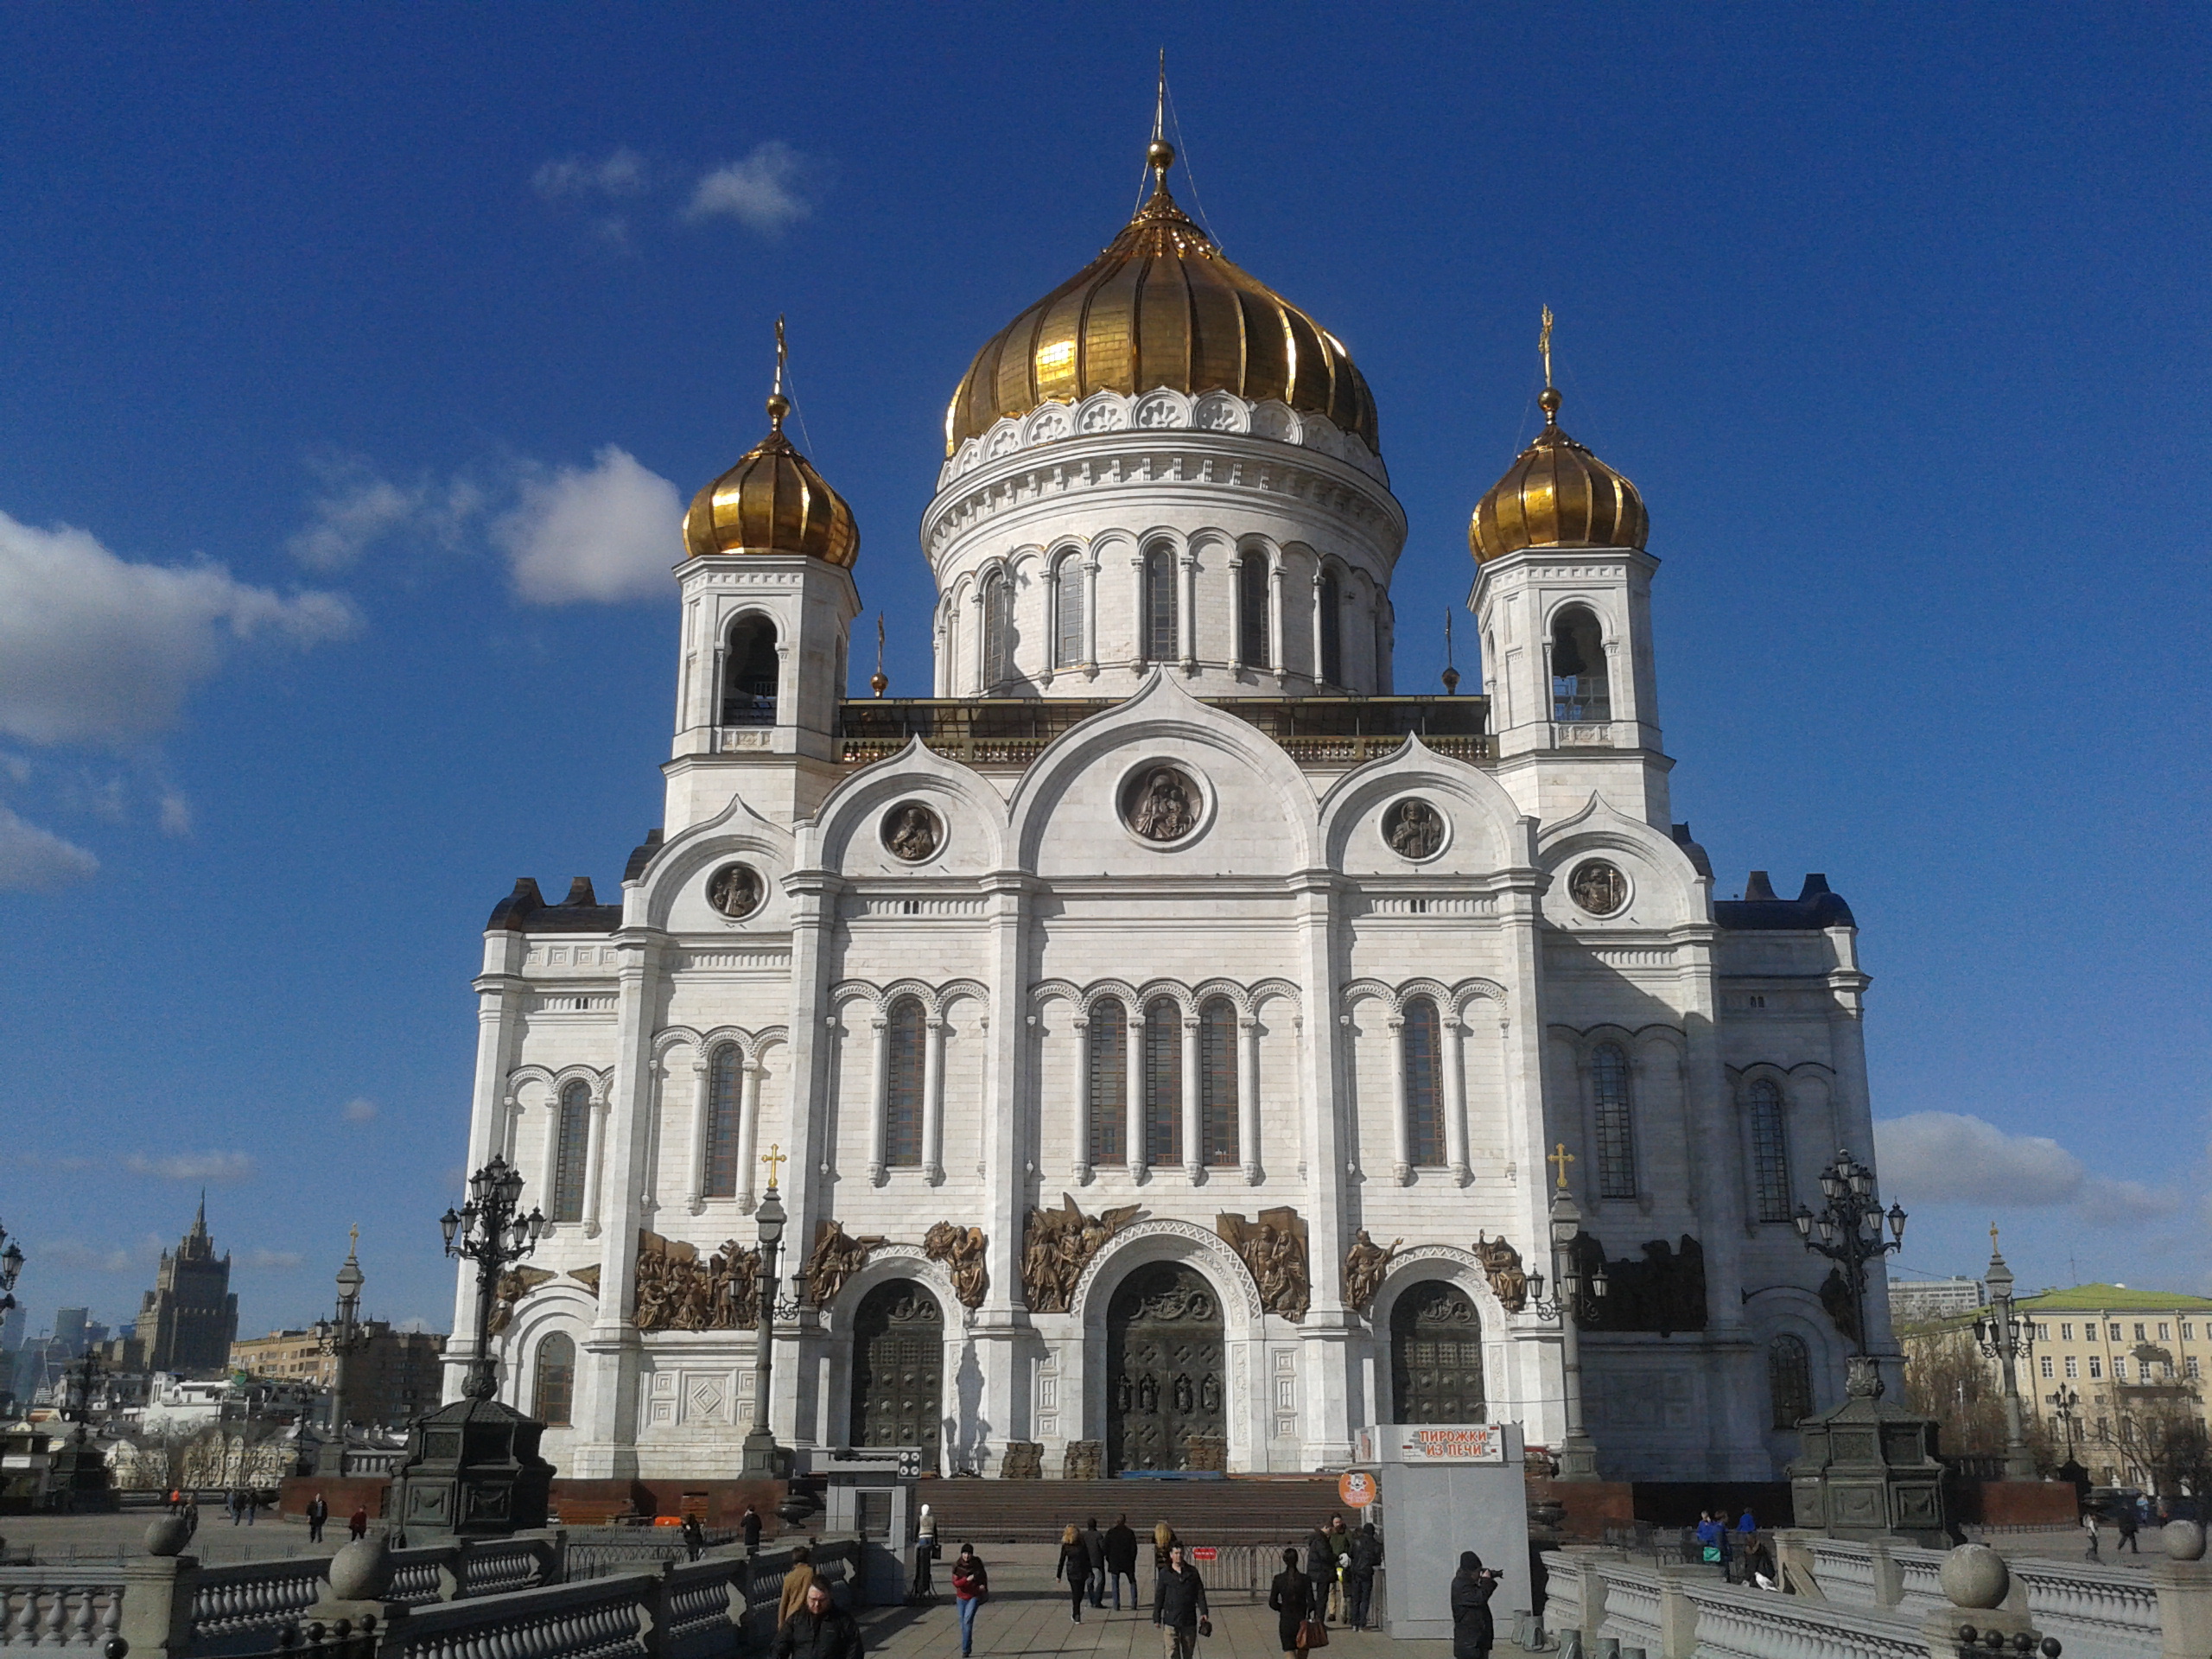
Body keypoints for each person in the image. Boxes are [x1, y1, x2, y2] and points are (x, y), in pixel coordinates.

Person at [772, 1577, 862, 1659]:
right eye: (813, 1599)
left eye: (822, 1600)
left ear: (830, 1597)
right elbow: (779, 1648)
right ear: (807, 1597)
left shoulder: (843, 1620)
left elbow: (855, 1649)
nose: (817, 1605)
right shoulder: (796, 1620)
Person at [1154, 1541, 1211, 1659]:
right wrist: (1157, 1616)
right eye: (1176, 1553)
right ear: (1171, 1555)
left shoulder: (1192, 1572)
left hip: (1188, 1619)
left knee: (1188, 1653)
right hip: (1171, 1619)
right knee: (1172, 1652)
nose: (1178, 1556)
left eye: (1180, 1553)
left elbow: (1199, 1593)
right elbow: (1160, 1595)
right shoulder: (1165, 1573)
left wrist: (1204, 1612)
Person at [1450, 1552, 1499, 1659]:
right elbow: (1479, 1598)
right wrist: (1486, 1580)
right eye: (1478, 1571)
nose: (1480, 1574)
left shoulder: (1469, 1584)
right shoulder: (1461, 1585)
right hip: (1469, 1644)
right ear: (1471, 1572)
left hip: (1478, 1641)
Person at [1269, 1546, 1315, 1659]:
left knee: (1289, 1650)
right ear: (1297, 1560)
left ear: (1284, 1561)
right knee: (1303, 1651)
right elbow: (1312, 1603)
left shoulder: (1278, 1579)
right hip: (1302, 1620)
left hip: (1286, 1620)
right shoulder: (1305, 1579)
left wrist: (1282, 1608)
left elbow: (1272, 1603)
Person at [950, 1544, 988, 1659]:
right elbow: (956, 1583)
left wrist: (983, 1586)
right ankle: (968, 1642)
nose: (967, 1556)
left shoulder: (977, 1565)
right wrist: (966, 1579)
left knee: (967, 1621)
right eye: (965, 1553)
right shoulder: (957, 1566)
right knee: (963, 1624)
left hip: (974, 1596)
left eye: (969, 1554)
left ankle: (965, 1650)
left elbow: (983, 1577)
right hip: (961, 1598)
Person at [1345, 1523, 1382, 1631]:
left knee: (1355, 1599)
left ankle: (1354, 1623)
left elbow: (1350, 1553)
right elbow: (1376, 1560)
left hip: (1355, 1573)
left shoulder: (1356, 1542)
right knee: (1365, 1599)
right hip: (1367, 1573)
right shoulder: (1375, 1544)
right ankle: (1362, 1624)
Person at [1058, 1523, 1093, 1622]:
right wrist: (1058, 1575)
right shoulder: (1066, 1546)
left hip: (1082, 1570)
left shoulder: (1081, 1543)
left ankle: (1075, 1610)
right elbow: (1062, 1560)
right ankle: (1076, 1614)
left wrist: (1089, 1570)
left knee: (1080, 1592)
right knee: (1075, 1592)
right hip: (1072, 1571)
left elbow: (1087, 1557)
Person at [1105, 1514, 1140, 1611]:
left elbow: (1105, 1548)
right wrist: (1132, 1559)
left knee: (1115, 1583)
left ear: (1116, 1521)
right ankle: (1134, 1603)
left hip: (1115, 1562)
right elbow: (1134, 1549)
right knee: (1132, 1582)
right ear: (1125, 1521)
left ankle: (1116, 1604)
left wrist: (1109, 1559)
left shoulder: (1111, 1533)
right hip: (1128, 1562)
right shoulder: (1129, 1533)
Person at [1304, 1523, 1337, 1626]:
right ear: (1326, 1528)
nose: (1332, 1532)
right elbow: (1325, 1556)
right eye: (1331, 1529)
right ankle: (1319, 1623)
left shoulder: (1318, 1538)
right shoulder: (1321, 1540)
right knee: (1322, 1598)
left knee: (1319, 1598)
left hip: (1317, 1571)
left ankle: (1316, 1620)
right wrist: (1336, 1558)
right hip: (1322, 1572)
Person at [779, 1546, 817, 1629]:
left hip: (791, 1616)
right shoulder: (812, 1573)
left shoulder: (788, 1577)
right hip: (807, 1615)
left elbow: (783, 1603)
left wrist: (781, 1623)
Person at [910, 1504, 937, 1603]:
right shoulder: (932, 1519)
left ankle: (920, 1580)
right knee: (927, 1558)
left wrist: (914, 1538)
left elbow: (917, 1529)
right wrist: (936, 1543)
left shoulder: (920, 1518)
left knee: (921, 1557)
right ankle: (925, 1578)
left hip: (922, 1537)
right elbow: (935, 1531)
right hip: (930, 1537)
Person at [1327, 1516, 1351, 1621]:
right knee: (1331, 1590)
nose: (1338, 1524)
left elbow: (1351, 1544)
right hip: (1331, 1565)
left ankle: (1343, 1612)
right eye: (1336, 1522)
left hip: (1341, 1566)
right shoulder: (1330, 1534)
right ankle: (1332, 1612)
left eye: (1339, 1522)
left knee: (1342, 1589)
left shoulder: (1346, 1533)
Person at [1083, 1517, 1108, 1609]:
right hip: (1097, 1561)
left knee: (1090, 1581)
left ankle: (1092, 1599)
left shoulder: (1084, 1535)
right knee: (1100, 1581)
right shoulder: (1098, 1535)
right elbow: (1103, 1548)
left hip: (1087, 1561)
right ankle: (1097, 1601)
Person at [1153, 1520, 1179, 1608]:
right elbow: (1176, 1541)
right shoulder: (1170, 1538)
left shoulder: (1157, 1539)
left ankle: (1161, 1600)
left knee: (1162, 1583)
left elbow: (1152, 1540)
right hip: (1169, 1563)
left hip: (1160, 1564)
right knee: (1171, 1581)